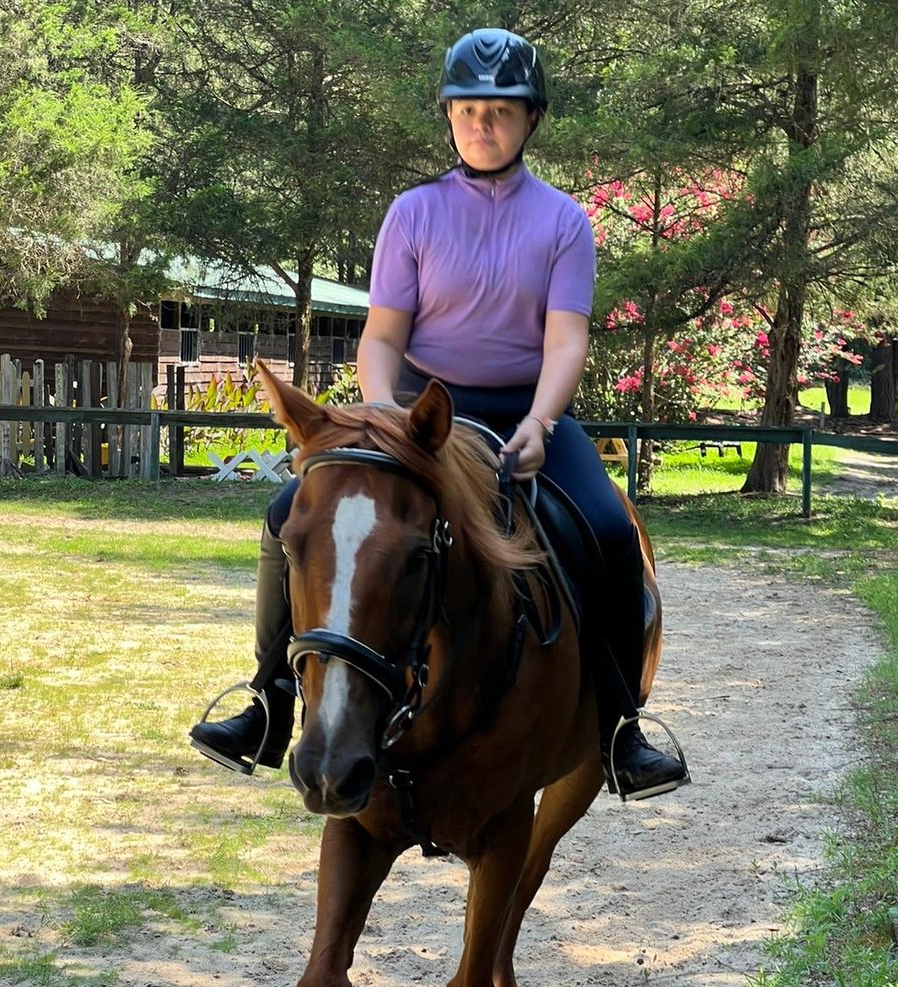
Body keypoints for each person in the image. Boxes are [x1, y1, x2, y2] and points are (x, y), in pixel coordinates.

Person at [190, 27, 688, 801]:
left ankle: (622, 728)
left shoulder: (563, 223)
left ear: (530, 121)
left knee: (612, 527)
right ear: (449, 117)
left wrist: (543, 423)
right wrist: (384, 416)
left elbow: (566, 341)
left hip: (525, 413)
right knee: (286, 510)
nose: (482, 124)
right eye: (468, 110)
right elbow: (383, 334)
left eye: (500, 110)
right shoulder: (413, 214)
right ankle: (269, 702)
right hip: (420, 412)